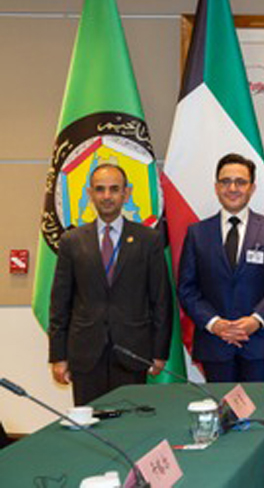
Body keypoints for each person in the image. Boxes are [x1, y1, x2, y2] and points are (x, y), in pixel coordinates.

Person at [48, 163, 172, 405]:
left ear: (126, 194)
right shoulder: (71, 241)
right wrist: (58, 356)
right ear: (89, 193)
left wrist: (160, 352)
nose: (107, 196)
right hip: (85, 353)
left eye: (114, 189)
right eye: (100, 189)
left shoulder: (149, 240)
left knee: (128, 428)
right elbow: (59, 303)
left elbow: (161, 300)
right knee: (89, 428)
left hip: (133, 351)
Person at [177, 153, 264, 382]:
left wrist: (255, 320)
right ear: (216, 187)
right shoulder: (197, 233)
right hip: (215, 344)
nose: (232, 188)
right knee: (224, 414)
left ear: (252, 188)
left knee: (260, 412)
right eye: (225, 181)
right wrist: (215, 324)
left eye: (240, 182)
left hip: (260, 343)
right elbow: (187, 289)